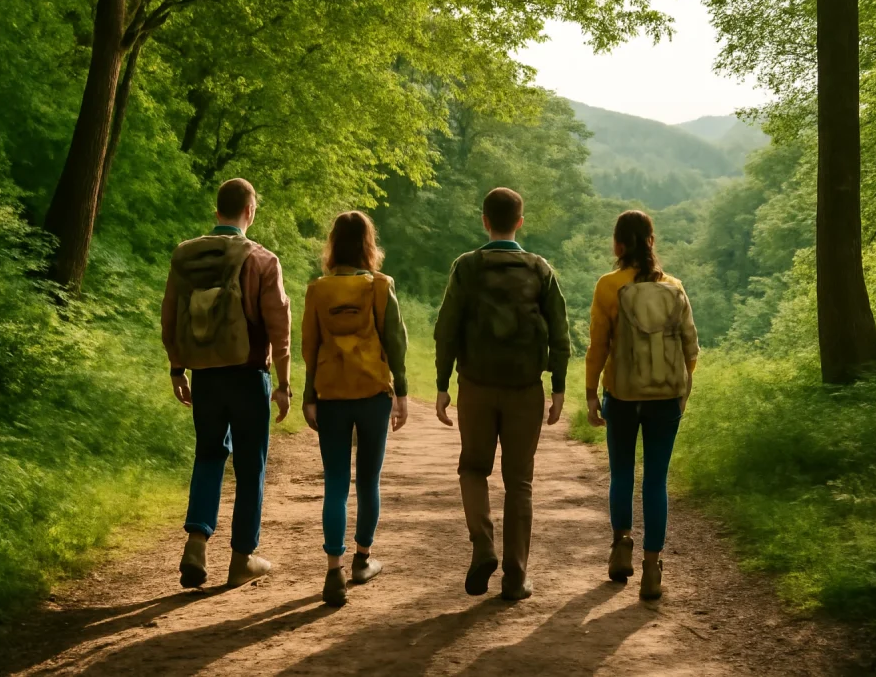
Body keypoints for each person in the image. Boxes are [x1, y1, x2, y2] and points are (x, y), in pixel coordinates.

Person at [434, 187, 571, 602]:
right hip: (525, 390)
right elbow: (561, 335)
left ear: (484, 221)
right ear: (520, 222)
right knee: (519, 482)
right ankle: (516, 576)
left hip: (475, 387)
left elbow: (447, 330)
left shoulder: (466, 267)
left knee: (473, 469)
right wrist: (559, 387)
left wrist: (442, 385)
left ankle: (483, 545)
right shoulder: (540, 269)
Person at [162, 178, 293, 589]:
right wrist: (284, 383)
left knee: (208, 455)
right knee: (251, 465)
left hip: (205, 377)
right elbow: (280, 327)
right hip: (249, 373)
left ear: (217, 210)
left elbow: (170, 315)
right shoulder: (261, 260)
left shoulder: (188, 257)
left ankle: (196, 544)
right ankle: (242, 559)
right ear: (249, 212)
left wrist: (177, 368)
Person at [584, 210, 700, 600]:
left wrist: (590, 395)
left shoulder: (608, 286)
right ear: (651, 242)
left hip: (621, 395)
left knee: (621, 474)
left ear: (618, 244)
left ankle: (621, 548)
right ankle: (652, 569)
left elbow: (597, 346)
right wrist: (683, 390)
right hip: (665, 398)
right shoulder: (674, 287)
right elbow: (690, 348)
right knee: (655, 480)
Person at [301, 211, 409, 608]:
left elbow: (309, 347)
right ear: (368, 245)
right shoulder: (380, 286)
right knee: (368, 480)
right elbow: (395, 341)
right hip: (372, 394)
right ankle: (362, 560)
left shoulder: (318, 289)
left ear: (333, 245)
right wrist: (402, 393)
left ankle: (334, 571)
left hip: (330, 394)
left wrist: (308, 396)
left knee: (334, 483)